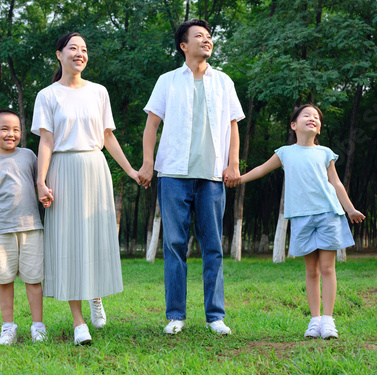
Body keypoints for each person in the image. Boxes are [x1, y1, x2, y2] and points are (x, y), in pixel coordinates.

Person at [31, 32, 140, 345]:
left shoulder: (99, 92)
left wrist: (131, 170)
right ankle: (79, 322)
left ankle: (95, 295)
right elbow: (47, 141)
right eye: (73, 48)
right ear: (59, 55)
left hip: (95, 168)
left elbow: (107, 137)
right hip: (63, 170)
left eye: (84, 49)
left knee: (93, 238)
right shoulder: (47, 95)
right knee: (67, 242)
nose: (79, 54)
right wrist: (41, 181)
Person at [138, 19, 245, 335]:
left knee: (213, 247)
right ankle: (176, 316)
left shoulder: (223, 82)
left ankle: (215, 316)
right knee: (174, 245)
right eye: (199, 36)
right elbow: (151, 126)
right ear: (184, 45)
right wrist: (147, 164)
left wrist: (233, 163)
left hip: (212, 177)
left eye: (209, 36)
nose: (207, 40)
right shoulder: (168, 81)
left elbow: (233, 125)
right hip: (173, 174)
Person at [239, 104, 365, 339]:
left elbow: (336, 183)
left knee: (327, 268)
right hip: (301, 217)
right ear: (293, 125)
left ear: (318, 128)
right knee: (311, 270)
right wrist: (239, 178)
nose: (312, 118)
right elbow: (261, 169)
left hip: (328, 214)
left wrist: (350, 209)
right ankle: (314, 320)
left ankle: (328, 321)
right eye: (306, 115)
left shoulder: (325, 152)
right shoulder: (285, 152)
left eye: (316, 117)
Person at [0, 110, 46, 345]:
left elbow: (40, 183)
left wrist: (45, 193)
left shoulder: (29, 156)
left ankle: (38, 326)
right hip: (1, 230)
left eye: (16, 129)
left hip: (31, 227)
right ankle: (8, 327)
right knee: (4, 280)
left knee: (33, 279)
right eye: (4, 129)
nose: (11, 134)